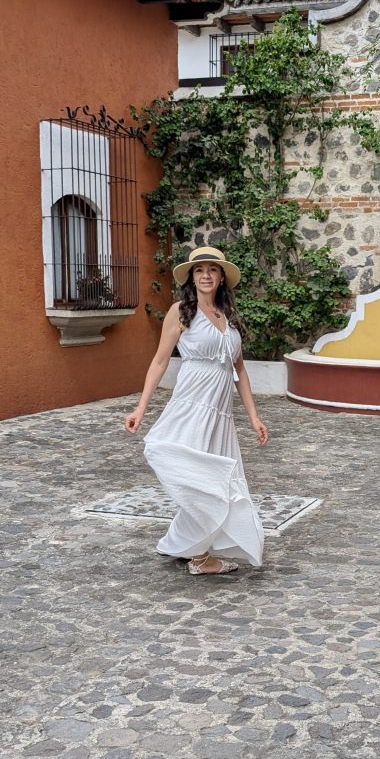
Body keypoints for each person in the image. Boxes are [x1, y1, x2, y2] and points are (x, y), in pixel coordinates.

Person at [124, 246, 269, 575]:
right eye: (199, 269)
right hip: (191, 405)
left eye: (212, 270)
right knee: (195, 473)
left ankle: (189, 544)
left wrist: (254, 417)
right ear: (192, 277)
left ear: (221, 278)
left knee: (215, 478)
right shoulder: (181, 311)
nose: (205, 275)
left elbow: (240, 371)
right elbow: (160, 361)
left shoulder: (227, 316)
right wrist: (141, 408)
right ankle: (201, 558)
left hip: (220, 415)